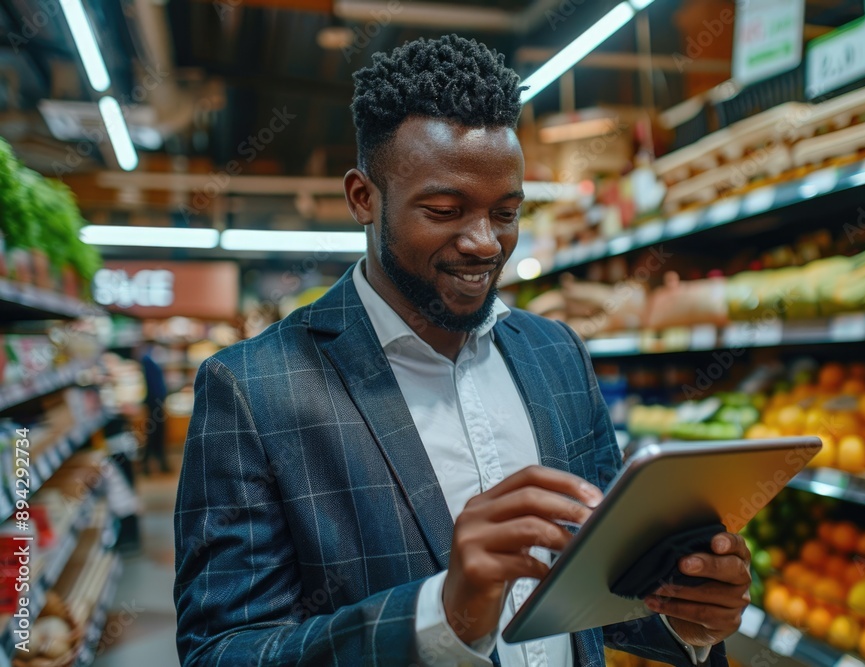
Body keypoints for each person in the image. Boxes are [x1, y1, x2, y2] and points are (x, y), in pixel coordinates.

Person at [174, 35, 751, 666]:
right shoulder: (253, 389)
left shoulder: (556, 353)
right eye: (445, 210)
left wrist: (687, 616)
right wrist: (439, 617)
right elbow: (221, 652)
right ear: (363, 198)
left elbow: (606, 586)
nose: (485, 243)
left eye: (506, 213)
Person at [138, 342, 170, 474]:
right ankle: (154, 463)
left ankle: (152, 463)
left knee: (155, 433)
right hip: (155, 403)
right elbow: (154, 386)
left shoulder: (150, 361)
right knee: (155, 433)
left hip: (155, 402)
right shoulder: (148, 361)